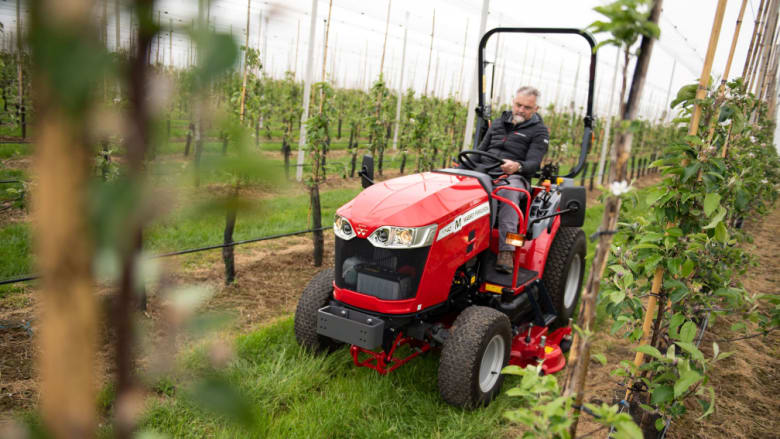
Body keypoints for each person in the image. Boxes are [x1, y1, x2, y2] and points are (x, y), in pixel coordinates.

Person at [476, 86, 549, 273]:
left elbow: (534, 163)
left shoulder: (539, 131)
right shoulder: (499, 124)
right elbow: (480, 152)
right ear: (513, 102)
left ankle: (507, 250)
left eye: (527, 107)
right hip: (485, 171)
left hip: (515, 177)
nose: (521, 110)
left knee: (509, 193)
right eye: (518, 105)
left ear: (535, 110)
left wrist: (518, 166)